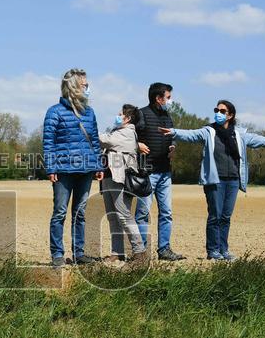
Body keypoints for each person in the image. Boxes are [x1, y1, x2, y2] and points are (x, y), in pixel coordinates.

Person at [159, 100, 265, 260]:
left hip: (233, 181)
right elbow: (191, 134)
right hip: (215, 180)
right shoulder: (209, 131)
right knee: (215, 216)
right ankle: (213, 251)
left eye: (222, 111)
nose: (218, 113)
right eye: (217, 110)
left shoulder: (239, 134)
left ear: (230, 115)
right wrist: (173, 132)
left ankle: (224, 249)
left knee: (225, 217)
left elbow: (260, 140)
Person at [42, 68, 104, 267]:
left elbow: (94, 141)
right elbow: (48, 142)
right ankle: (57, 255)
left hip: (86, 170)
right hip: (63, 171)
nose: (88, 88)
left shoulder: (90, 112)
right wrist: (51, 168)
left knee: (80, 213)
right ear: (74, 87)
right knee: (60, 212)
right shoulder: (54, 112)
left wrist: (98, 165)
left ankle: (79, 253)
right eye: (85, 85)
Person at [133, 82, 184, 261]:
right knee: (142, 214)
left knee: (166, 213)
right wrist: (137, 144)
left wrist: (173, 146)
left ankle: (164, 250)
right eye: (168, 97)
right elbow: (127, 135)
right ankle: (141, 252)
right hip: (146, 173)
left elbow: (172, 137)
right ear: (158, 98)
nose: (170, 101)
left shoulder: (167, 116)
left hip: (165, 173)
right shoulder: (141, 114)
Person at [99, 104, 147, 264]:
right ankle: (117, 252)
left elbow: (104, 140)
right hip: (109, 177)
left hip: (120, 179)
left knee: (124, 215)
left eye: (120, 114)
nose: (117, 116)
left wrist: (88, 129)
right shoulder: (118, 131)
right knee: (113, 217)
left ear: (128, 118)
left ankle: (140, 252)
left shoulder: (127, 133)